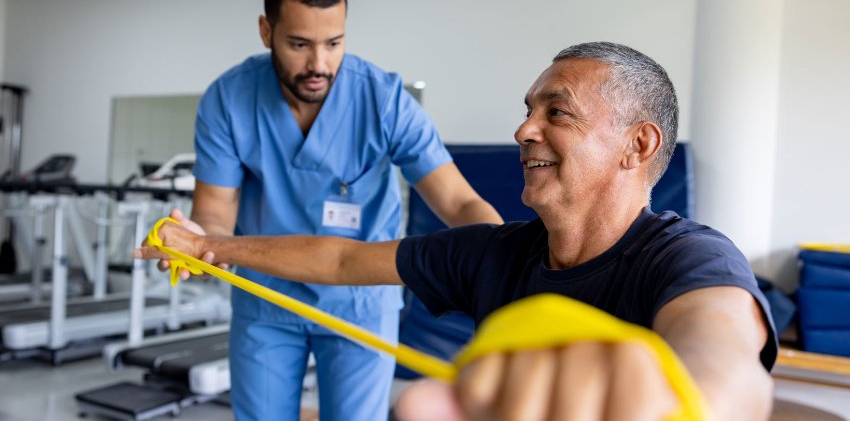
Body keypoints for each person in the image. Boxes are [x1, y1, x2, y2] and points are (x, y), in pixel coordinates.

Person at [147, 42, 777, 420]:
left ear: (637, 145)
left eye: (555, 112)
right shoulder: (494, 254)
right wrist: (207, 245)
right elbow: (341, 262)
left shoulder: (688, 255)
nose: (524, 130)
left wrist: (681, 396)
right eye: (526, 111)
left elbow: (723, 357)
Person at [184, 0, 503, 421]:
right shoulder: (229, 99)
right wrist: (201, 243)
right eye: (299, 44)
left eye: (334, 43)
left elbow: (457, 201)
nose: (320, 64)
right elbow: (214, 213)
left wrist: (501, 259)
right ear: (265, 30)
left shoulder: (384, 100)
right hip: (266, 300)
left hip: (360, 300)